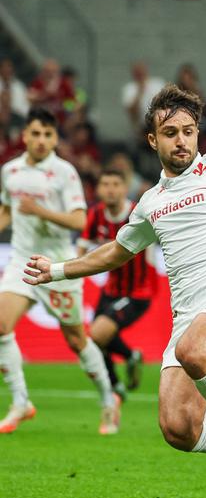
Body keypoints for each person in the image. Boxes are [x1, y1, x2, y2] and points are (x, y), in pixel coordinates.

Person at [24, 86, 206, 498]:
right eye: (170, 132)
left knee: (194, 350)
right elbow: (116, 252)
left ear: (198, 134)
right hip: (189, 316)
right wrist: (58, 270)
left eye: (189, 131)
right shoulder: (151, 203)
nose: (181, 140)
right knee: (179, 428)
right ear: (153, 140)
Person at [0, 108, 120, 434]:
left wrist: (39, 210)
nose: (41, 140)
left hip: (56, 267)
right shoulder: (9, 170)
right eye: (35, 133)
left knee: (77, 340)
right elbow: (8, 211)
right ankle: (21, 401)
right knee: (1, 325)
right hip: (21, 262)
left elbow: (79, 220)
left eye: (47, 135)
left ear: (55, 138)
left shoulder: (64, 172)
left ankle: (109, 400)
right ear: (24, 135)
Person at [77, 169, 159, 406]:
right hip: (111, 289)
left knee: (97, 335)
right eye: (105, 184)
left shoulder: (138, 212)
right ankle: (117, 385)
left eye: (115, 184)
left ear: (124, 188)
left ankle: (126, 360)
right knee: (94, 342)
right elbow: (81, 248)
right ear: (99, 189)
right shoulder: (95, 215)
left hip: (138, 292)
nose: (110, 189)